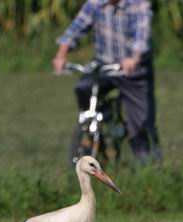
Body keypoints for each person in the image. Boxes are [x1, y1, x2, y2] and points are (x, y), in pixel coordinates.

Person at [52, 0, 161, 164]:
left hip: (133, 70)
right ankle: (93, 128)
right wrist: (61, 55)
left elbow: (141, 33)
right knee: (83, 88)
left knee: (141, 125)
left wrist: (134, 58)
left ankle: (149, 166)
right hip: (104, 65)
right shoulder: (95, 3)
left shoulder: (138, 4)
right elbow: (76, 28)